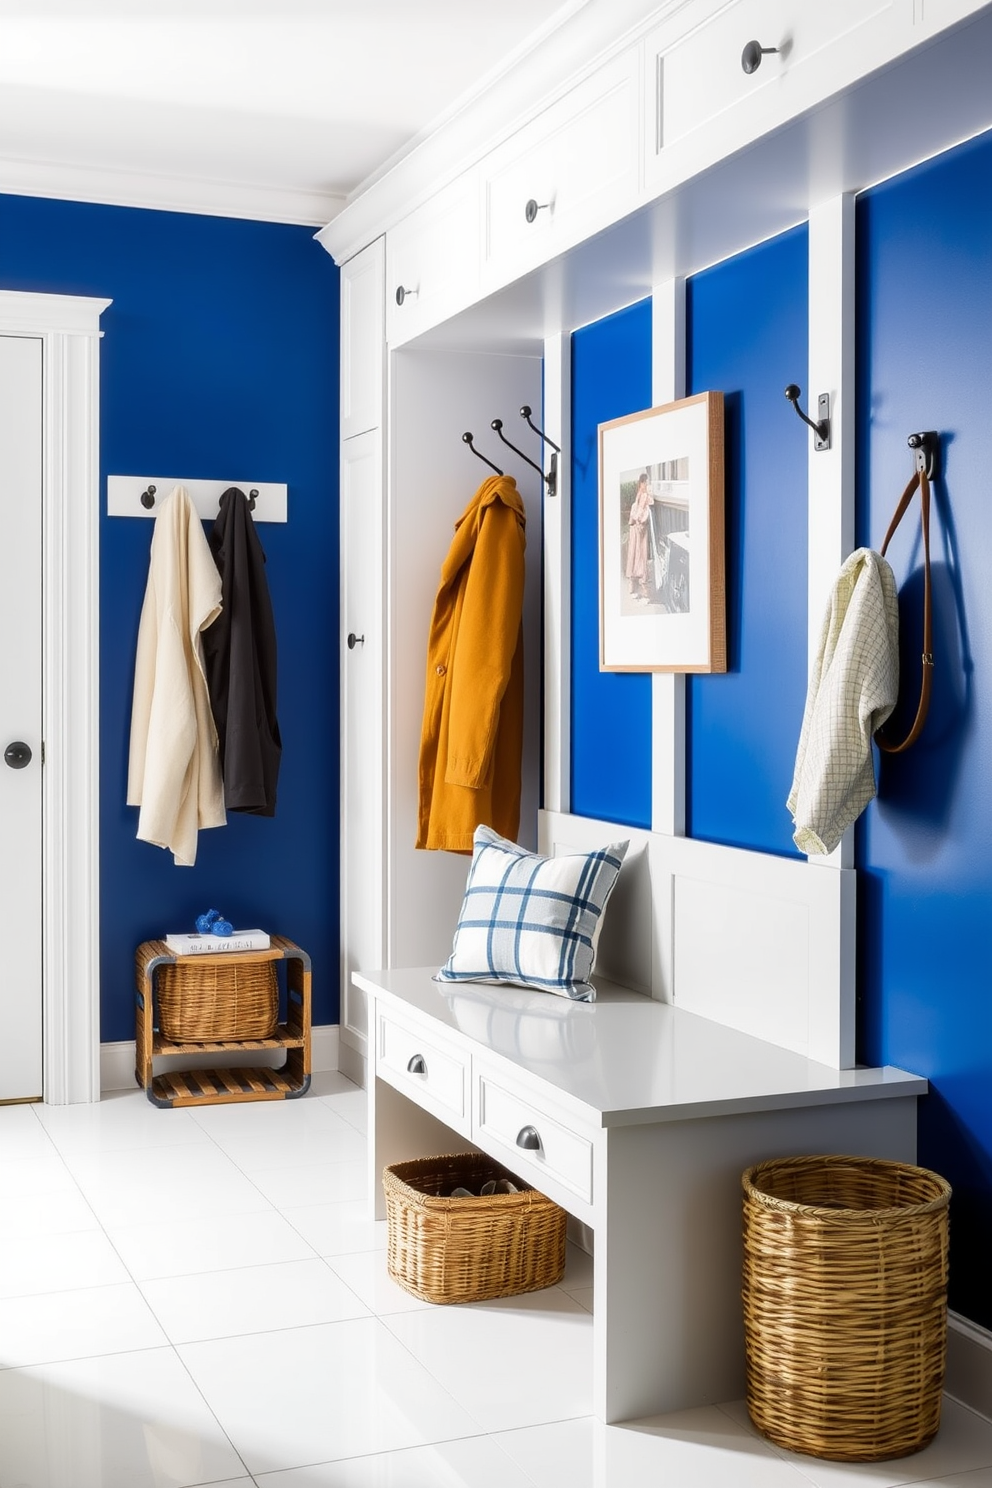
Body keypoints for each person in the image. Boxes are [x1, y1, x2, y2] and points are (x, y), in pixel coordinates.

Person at [625, 472, 653, 603]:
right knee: (633, 555)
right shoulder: (638, 497)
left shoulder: (646, 497)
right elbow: (633, 513)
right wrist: (635, 518)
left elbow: (646, 511)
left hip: (641, 529)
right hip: (634, 529)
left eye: (646, 483)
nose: (645, 485)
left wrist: (639, 518)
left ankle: (646, 593)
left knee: (641, 556)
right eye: (643, 483)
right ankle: (632, 588)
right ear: (640, 483)